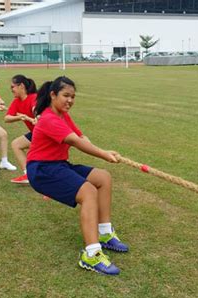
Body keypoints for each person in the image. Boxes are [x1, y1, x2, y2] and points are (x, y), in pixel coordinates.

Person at [26, 76, 129, 276]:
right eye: (66, 95)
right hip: (41, 170)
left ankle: (105, 233)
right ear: (53, 95)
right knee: (88, 192)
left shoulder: (63, 115)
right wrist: (103, 154)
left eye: (73, 97)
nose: (70, 101)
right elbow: (74, 141)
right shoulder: (48, 118)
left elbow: (81, 137)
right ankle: (91, 254)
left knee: (103, 177)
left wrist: (102, 149)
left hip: (59, 164)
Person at [4, 74, 37, 184]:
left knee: (39, 156)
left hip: (45, 134)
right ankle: (27, 174)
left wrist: (35, 116)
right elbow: (7, 118)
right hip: (35, 133)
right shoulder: (16, 101)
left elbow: (36, 109)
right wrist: (19, 117)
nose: (11, 90)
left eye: (12, 87)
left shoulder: (33, 97)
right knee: (16, 144)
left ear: (21, 86)